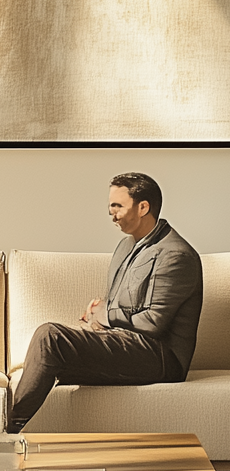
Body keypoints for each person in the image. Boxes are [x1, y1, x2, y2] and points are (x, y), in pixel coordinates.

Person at [8, 173, 203, 433]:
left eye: (118, 206)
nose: (111, 213)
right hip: (129, 345)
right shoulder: (125, 246)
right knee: (51, 353)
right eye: (110, 206)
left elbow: (154, 322)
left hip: (161, 358)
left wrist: (107, 315)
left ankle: (8, 434)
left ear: (143, 207)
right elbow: (122, 304)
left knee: (50, 337)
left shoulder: (176, 255)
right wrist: (97, 318)